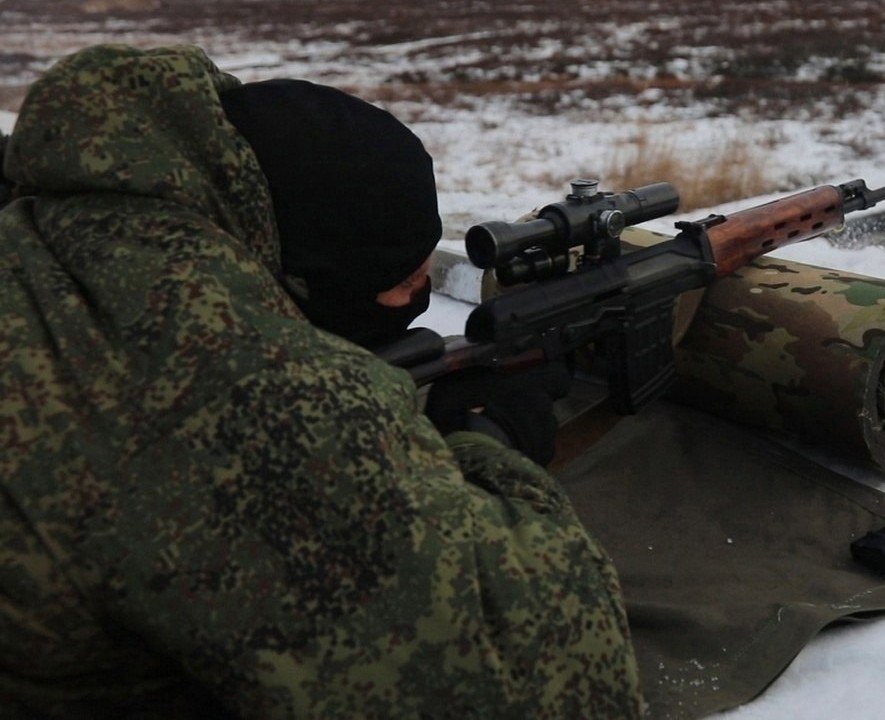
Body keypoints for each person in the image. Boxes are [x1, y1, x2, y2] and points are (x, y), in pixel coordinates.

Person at [0, 44, 643, 718]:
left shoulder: (68, 210)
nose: (422, 293)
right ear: (304, 277)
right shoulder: (254, 390)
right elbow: (554, 669)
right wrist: (490, 438)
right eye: (403, 283)